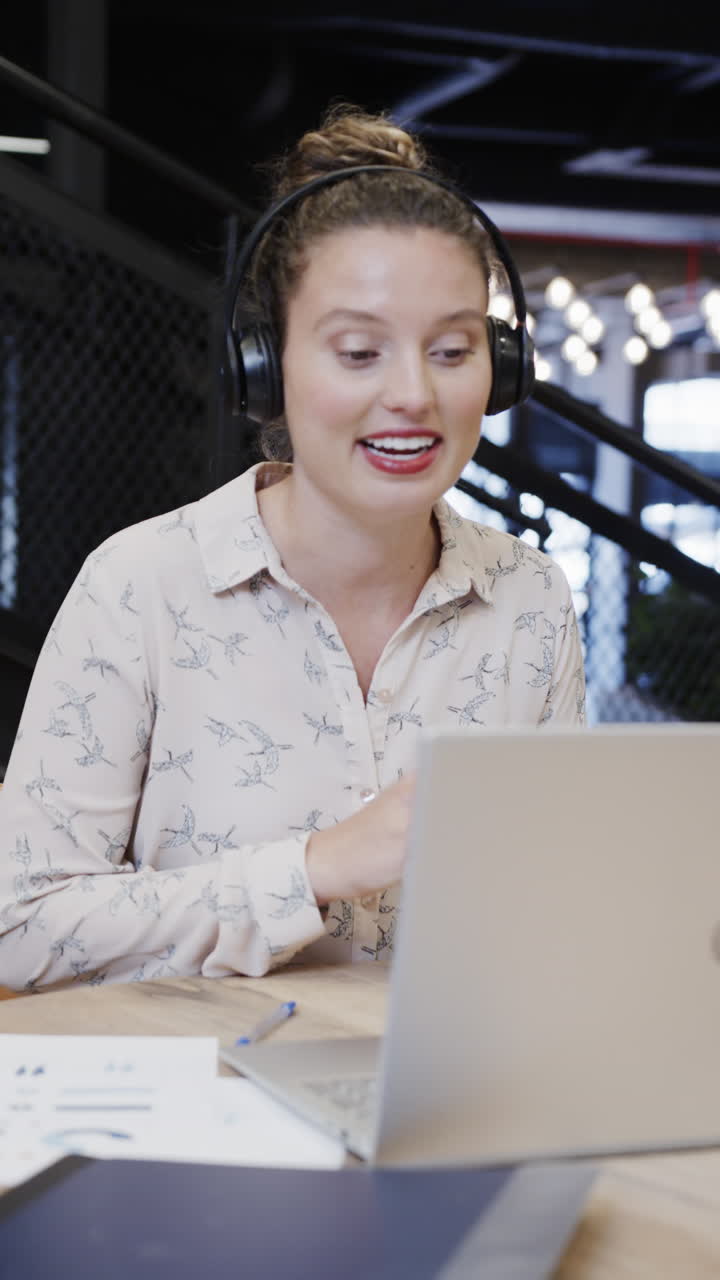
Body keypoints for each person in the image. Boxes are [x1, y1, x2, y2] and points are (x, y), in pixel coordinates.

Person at [0, 106, 585, 991]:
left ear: (500, 369)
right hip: (202, 1077)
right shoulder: (140, 587)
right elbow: (19, 926)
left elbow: (555, 914)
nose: (414, 394)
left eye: (452, 349)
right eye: (359, 351)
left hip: (452, 1078)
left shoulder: (529, 597)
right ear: (264, 366)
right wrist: (313, 870)